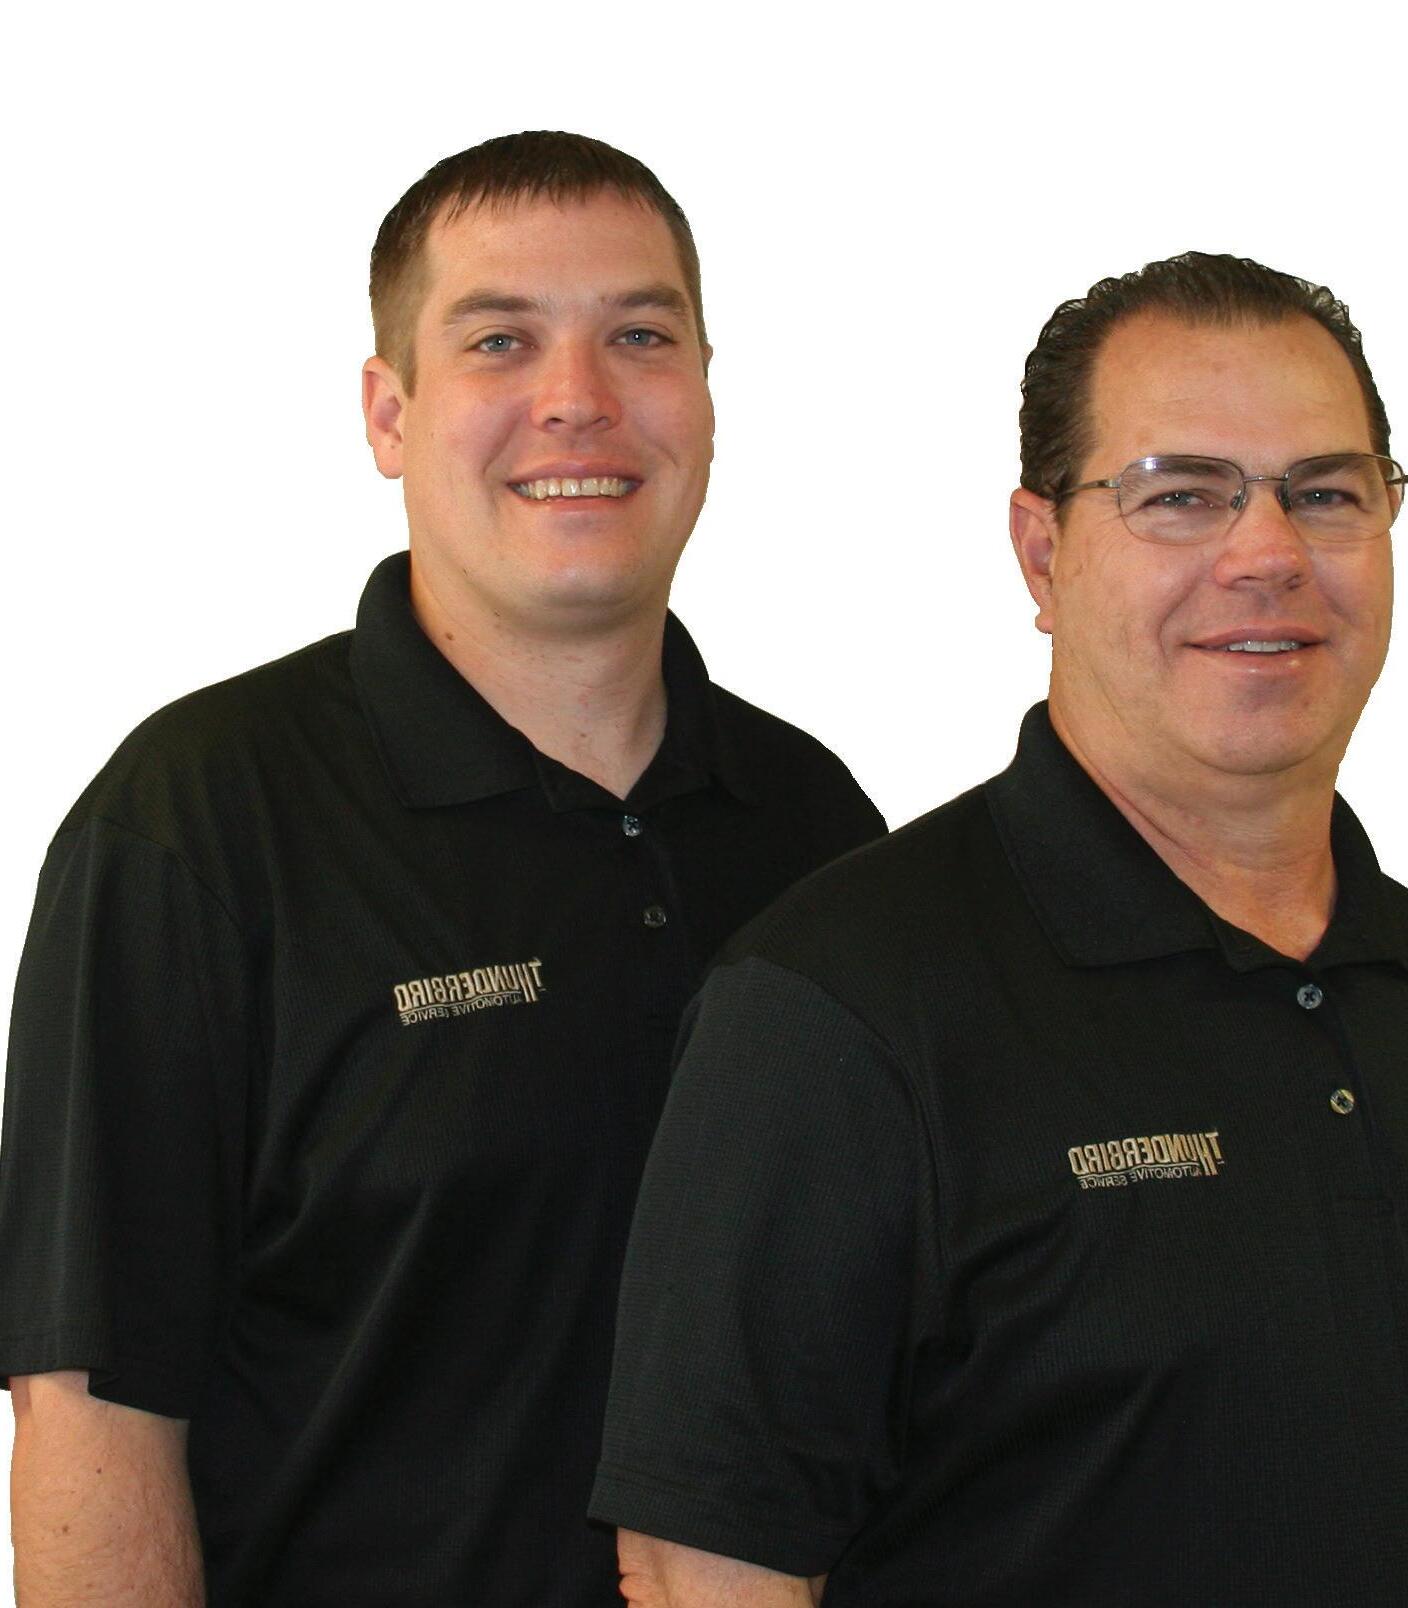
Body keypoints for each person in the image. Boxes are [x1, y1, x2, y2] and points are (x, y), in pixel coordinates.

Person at [589, 253, 1408, 1605]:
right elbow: (699, 1569)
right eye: (1180, 494)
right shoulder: (836, 1010)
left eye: (1326, 493)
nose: (1267, 554)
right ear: (1043, 554)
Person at [0, 131, 884, 1606]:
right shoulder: (197, 822)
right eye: (499, 340)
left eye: (641, 336)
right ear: (389, 413)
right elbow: (92, 1423)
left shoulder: (817, 829)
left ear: (707, 396)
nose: (578, 397)